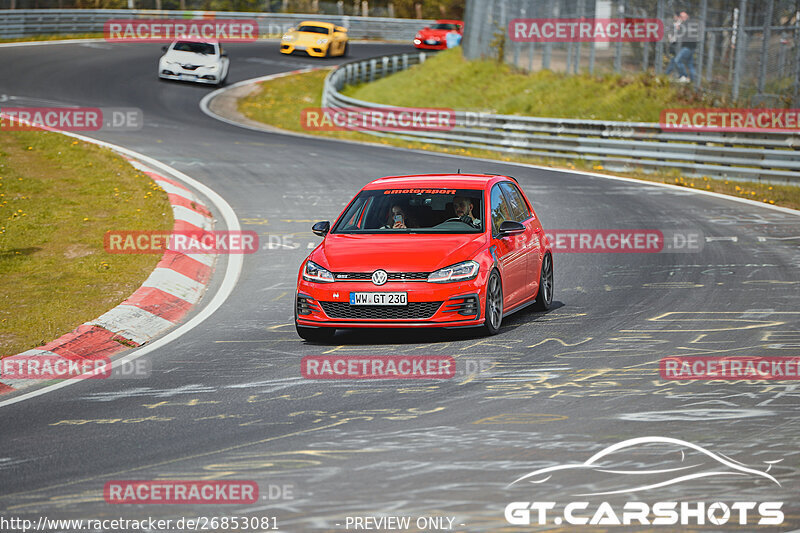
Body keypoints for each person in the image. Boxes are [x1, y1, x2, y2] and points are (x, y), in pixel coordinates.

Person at [665, 10, 697, 83]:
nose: (682, 18)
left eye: (683, 16)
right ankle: (693, 81)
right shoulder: (687, 24)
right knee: (690, 65)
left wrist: (678, 29)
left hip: (687, 47)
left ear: (687, 16)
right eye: (681, 16)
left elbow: (682, 34)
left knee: (677, 60)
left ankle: (684, 76)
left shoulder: (687, 24)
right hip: (689, 47)